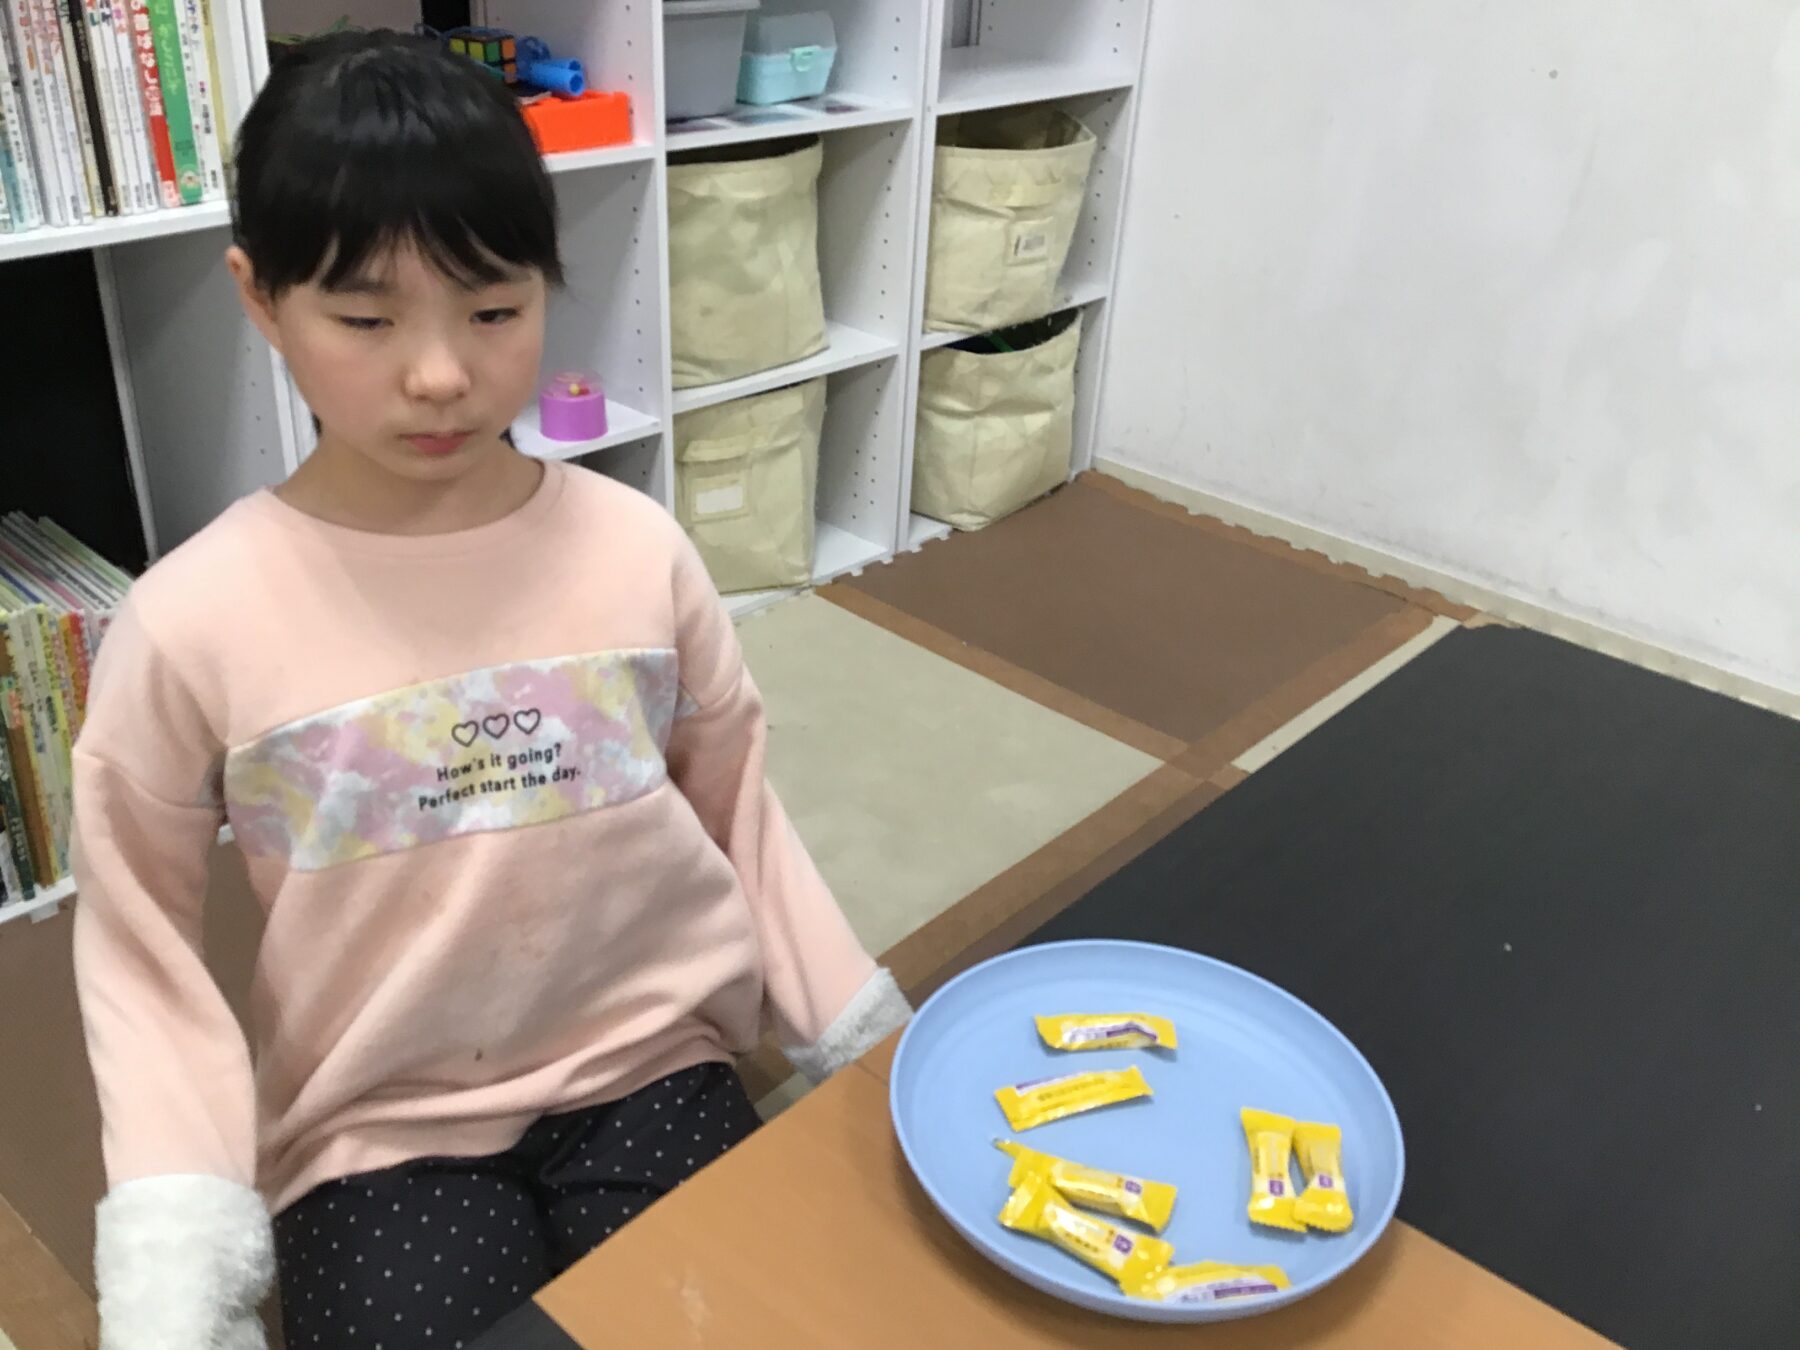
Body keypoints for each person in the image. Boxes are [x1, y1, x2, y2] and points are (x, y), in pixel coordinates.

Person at [71, 30, 908, 1349]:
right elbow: (139, 947)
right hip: (376, 1125)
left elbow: (739, 809)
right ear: (259, 296)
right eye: (366, 319)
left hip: (652, 1058)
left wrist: (862, 1041)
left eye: (494, 309)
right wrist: (180, 1257)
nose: (441, 374)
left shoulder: (636, 551)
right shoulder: (189, 623)